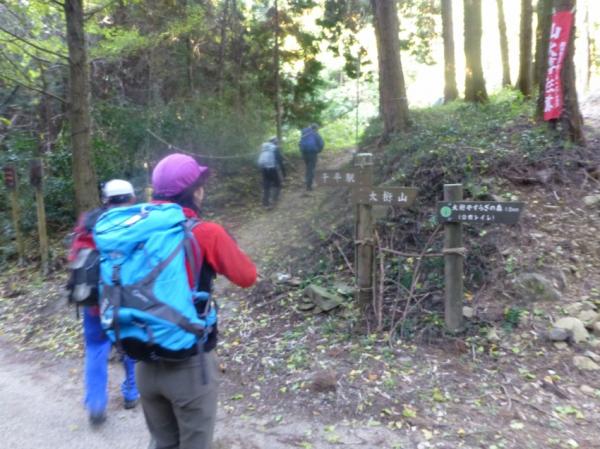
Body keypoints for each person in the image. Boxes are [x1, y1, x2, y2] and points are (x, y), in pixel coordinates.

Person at [138, 153, 257, 449]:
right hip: (189, 365)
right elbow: (246, 276)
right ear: (195, 191)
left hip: (142, 358)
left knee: (162, 443)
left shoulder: (133, 229)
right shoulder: (205, 232)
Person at [69, 179, 140, 426]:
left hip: (94, 301)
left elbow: (74, 255)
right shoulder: (138, 220)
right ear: (131, 197)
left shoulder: (88, 222)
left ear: (106, 199)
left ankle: (96, 404)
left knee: (95, 349)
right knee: (131, 344)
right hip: (127, 299)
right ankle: (131, 393)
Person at [257, 136, 286, 208]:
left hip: (264, 168)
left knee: (266, 185)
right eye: (277, 142)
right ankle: (274, 200)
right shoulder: (274, 148)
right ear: (275, 142)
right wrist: (284, 173)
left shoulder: (264, 148)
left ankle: (265, 203)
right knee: (277, 184)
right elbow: (280, 161)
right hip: (272, 168)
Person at [299, 123, 324, 191]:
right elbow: (321, 144)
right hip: (312, 154)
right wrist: (318, 151)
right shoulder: (316, 134)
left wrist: (302, 152)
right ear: (316, 128)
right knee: (311, 169)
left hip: (304, 154)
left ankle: (307, 180)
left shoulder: (304, 134)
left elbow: (300, 143)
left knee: (308, 168)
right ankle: (309, 186)